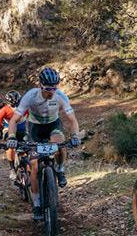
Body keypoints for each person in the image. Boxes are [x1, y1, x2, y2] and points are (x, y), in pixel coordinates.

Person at [6, 68, 81, 220]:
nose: (51, 92)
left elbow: (73, 120)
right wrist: (12, 136)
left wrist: (74, 135)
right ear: (40, 85)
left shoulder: (60, 96)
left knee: (60, 145)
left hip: (53, 125)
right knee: (34, 165)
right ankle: (37, 205)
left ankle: (59, 169)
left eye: (54, 88)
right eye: (48, 88)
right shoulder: (30, 96)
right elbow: (14, 120)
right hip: (35, 128)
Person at [0, 91, 27, 181]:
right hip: (9, 131)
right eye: (13, 105)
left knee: (29, 145)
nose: (16, 107)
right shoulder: (3, 111)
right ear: (8, 103)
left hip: (23, 130)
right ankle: (12, 169)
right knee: (10, 144)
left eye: (18, 103)